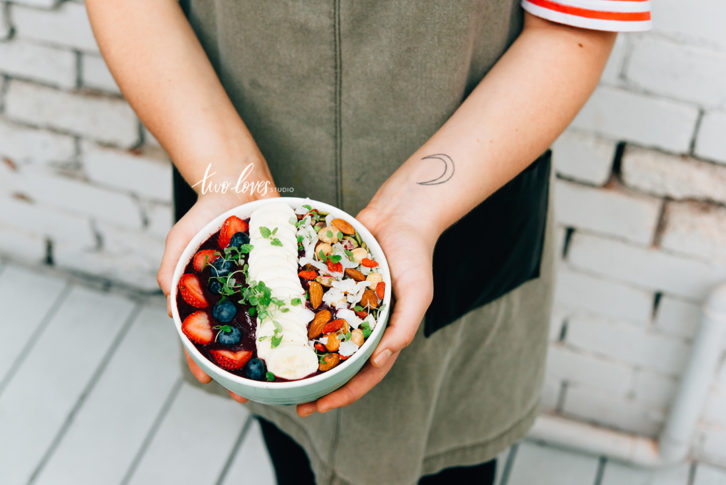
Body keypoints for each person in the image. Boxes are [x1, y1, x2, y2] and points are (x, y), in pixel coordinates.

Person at [86, 1, 651, 483]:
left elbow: (572, 27)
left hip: (460, 212)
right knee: (293, 451)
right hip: (232, 176)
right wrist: (230, 182)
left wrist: (415, 214)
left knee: (449, 461)